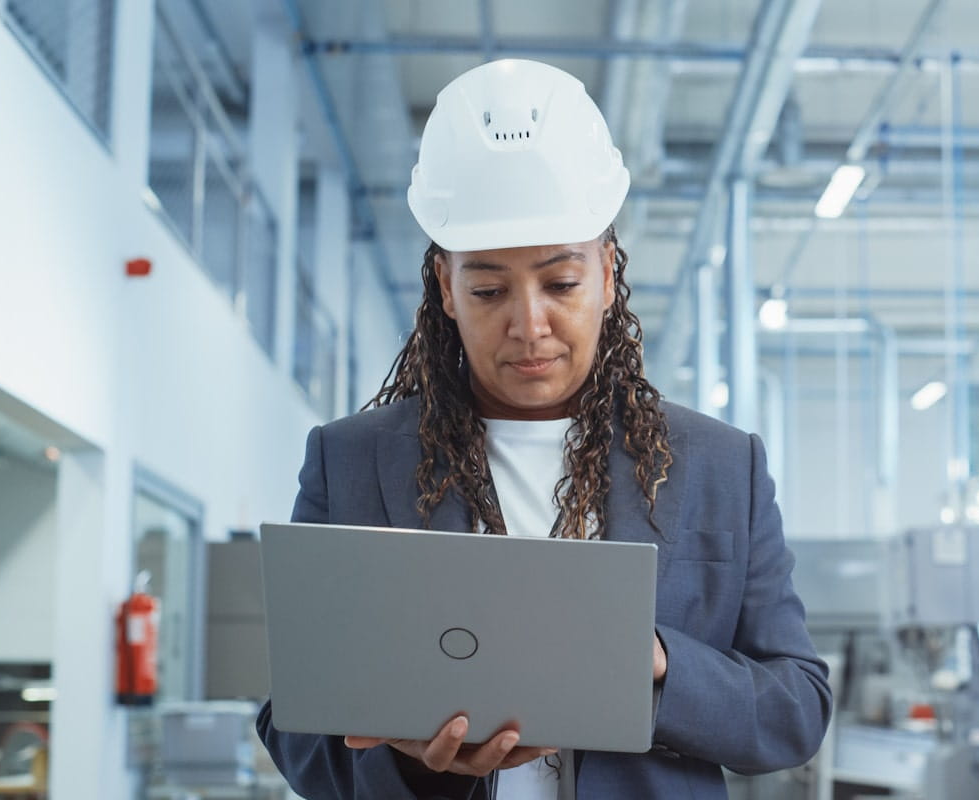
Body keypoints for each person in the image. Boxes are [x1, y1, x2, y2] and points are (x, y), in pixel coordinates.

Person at [255, 59, 832, 799]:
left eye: (561, 283)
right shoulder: (352, 461)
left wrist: (657, 663)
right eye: (489, 288)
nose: (529, 325)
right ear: (445, 289)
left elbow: (795, 708)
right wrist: (412, 764)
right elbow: (292, 728)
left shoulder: (719, 466)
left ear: (608, 271)